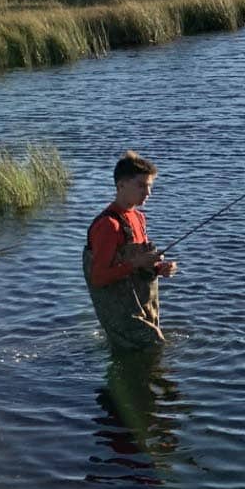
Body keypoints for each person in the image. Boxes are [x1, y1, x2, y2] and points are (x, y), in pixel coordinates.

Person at [83, 150, 177, 352]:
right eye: (141, 186)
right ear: (121, 186)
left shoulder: (139, 218)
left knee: (150, 355)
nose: (148, 193)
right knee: (156, 346)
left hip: (142, 305)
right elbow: (97, 278)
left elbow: (137, 266)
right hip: (121, 313)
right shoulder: (108, 225)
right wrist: (137, 263)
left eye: (150, 186)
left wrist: (159, 268)